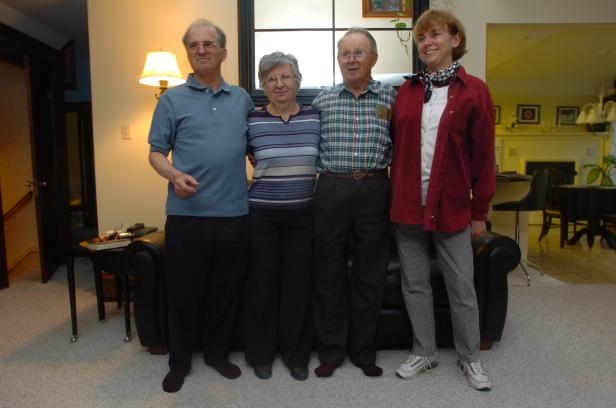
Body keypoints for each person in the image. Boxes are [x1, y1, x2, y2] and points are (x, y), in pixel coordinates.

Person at [389, 9, 495, 391]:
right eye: (421, 38)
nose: (427, 42)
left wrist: (479, 212)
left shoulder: (474, 90)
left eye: (434, 34)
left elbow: (483, 156)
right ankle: (425, 351)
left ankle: (470, 357)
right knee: (415, 283)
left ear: (455, 39)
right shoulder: (406, 91)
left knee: (462, 286)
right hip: (406, 205)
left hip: (451, 206)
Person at [147, 19, 254, 393]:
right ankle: (179, 362)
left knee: (225, 292)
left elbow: (254, 147)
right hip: (187, 216)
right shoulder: (171, 99)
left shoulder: (241, 99)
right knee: (183, 293)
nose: (201, 50)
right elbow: (155, 153)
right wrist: (174, 175)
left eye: (209, 43)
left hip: (234, 215)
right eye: (194, 45)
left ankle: (217, 354)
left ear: (224, 51)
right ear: (188, 53)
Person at [311, 27, 396, 378]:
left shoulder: (391, 98)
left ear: (374, 58)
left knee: (370, 274)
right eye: (345, 53)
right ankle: (330, 352)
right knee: (328, 273)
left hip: (375, 188)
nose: (351, 59)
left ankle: (363, 352)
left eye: (359, 52)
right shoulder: (323, 100)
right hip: (332, 188)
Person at [243, 52, 320, 382]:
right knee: (262, 287)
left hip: (303, 216)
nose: (279, 83)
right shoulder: (252, 120)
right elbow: (237, 155)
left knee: (297, 287)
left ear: (297, 81)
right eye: (271, 79)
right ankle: (260, 354)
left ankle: (296, 355)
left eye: (285, 76)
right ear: (263, 86)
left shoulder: (315, 117)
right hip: (262, 216)